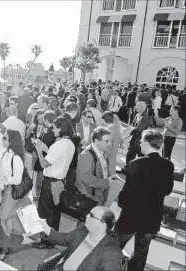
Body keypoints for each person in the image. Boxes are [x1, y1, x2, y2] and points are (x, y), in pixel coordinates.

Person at [115, 129, 174, 271]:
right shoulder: (168, 165)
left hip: (131, 214)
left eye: (141, 141)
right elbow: (168, 190)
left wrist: (121, 203)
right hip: (152, 217)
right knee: (141, 253)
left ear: (147, 143)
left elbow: (127, 190)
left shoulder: (136, 163)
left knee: (114, 247)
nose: (140, 144)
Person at [32, 117, 76, 249]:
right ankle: (53, 239)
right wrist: (45, 148)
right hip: (60, 182)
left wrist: (39, 151)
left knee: (45, 212)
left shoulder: (58, 145)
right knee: (55, 212)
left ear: (61, 129)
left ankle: (46, 241)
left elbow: (45, 163)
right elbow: (56, 158)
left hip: (50, 183)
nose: (53, 129)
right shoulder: (70, 144)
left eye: (56, 127)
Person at [40, 206, 124, 270]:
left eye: (92, 215)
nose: (87, 216)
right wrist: (46, 228)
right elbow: (65, 239)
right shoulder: (83, 229)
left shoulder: (112, 253)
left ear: (103, 224)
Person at [75, 127, 116, 206]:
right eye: (106, 141)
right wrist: (106, 182)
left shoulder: (101, 151)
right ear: (97, 141)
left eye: (110, 141)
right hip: (90, 198)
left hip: (98, 195)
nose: (110, 144)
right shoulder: (86, 155)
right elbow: (85, 178)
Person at [0, 129, 25, 235]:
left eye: (5, 138)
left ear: (12, 141)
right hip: (3, 189)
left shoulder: (16, 158)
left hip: (9, 191)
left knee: (1, 218)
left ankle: (4, 246)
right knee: (8, 217)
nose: (2, 139)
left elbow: (17, 180)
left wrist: (4, 178)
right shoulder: (5, 152)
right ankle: (8, 243)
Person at [119, 101, 149, 174]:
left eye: (138, 106)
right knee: (132, 154)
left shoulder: (145, 117)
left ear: (142, 108)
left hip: (139, 139)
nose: (136, 107)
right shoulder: (137, 115)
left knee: (138, 156)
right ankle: (128, 168)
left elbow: (139, 128)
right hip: (134, 138)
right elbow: (133, 125)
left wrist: (132, 131)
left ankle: (138, 171)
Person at [101, 111, 124, 176]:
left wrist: (104, 156)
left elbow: (108, 147)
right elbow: (122, 145)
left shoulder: (107, 131)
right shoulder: (117, 131)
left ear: (103, 120)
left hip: (107, 159)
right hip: (113, 159)